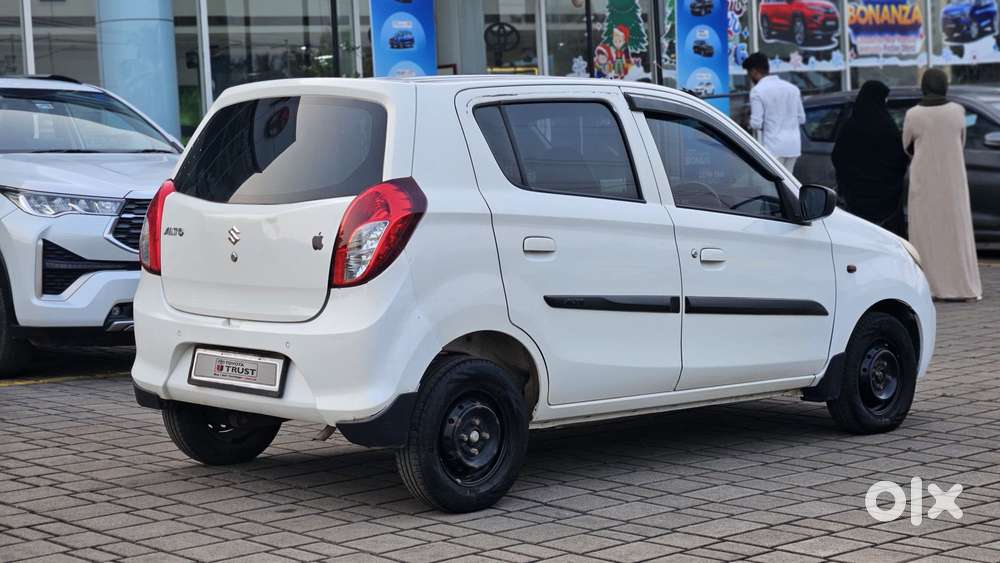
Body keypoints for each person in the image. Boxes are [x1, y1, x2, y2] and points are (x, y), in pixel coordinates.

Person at [902, 69, 982, 301]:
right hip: (953, 181)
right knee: (955, 232)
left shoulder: (913, 114)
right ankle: (960, 286)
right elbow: (961, 141)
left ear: (924, 87)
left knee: (926, 233)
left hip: (924, 182)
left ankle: (930, 286)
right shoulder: (957, 111)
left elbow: (907, 145)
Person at [831, 80, 909, 237]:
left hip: (855, 199)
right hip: (887, 201)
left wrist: (851, 178)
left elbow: (837, 156)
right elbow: (900, 159)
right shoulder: (888, 126)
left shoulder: (850, 126)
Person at [742, 52, 805, 172]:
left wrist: (748, 122)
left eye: (749, 73)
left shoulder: (757, 91)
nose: (749, 77)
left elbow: (756, 123)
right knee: (789, 183)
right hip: (794, 146)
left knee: (773, 186)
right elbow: (801, 119)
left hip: (773, 148)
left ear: (754, 71)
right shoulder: (792, 89)